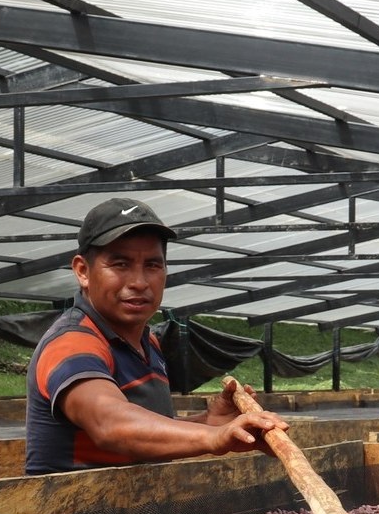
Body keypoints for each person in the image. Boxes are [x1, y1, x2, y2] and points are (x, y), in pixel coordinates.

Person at [23, 197, 287, 475]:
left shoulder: (147, 342)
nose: (139, 282)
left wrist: (211, 422)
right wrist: (213, 438)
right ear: (83, 271)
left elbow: (147, 429)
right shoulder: (72, 342)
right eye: (120, 264)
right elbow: (110, 423)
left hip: (132, 511)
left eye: (152, 265)